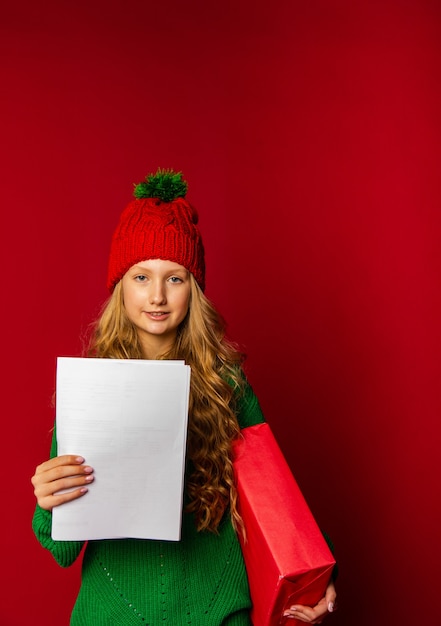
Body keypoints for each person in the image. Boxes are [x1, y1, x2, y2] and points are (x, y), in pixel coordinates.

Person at [31, 169, 337, 625]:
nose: (156, 296)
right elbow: (61, 548)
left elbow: (274, 502)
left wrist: (311, 577)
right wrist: (48, 499)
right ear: (120, 287)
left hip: (217, 611)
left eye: (175, 279)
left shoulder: (227, 384)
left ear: (194, 288)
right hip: (113, 613)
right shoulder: (91, 387)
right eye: (141, 277)